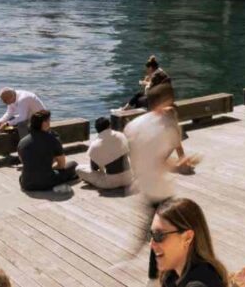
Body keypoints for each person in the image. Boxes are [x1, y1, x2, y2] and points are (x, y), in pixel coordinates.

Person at [125, 81, 192, 280]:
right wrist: (180, 164)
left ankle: (156, 275)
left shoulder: (134, 125)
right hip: (161, 190)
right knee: (174, 233)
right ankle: (162, 276)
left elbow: (138, 157)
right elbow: (161, 162)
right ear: (164, 101)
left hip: (146, 186)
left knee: (161, 232)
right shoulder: (165, 128)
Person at [150, 198, 229, 287]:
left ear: (187, 238)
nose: (151, 244)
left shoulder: (200, 284)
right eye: (151, 234)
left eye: (159, 235)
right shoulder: (172, 276)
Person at [17, 110, 78, 192]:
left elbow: (25, 162)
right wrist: (49, 168)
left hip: (26, 183)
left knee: (27, 174)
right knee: (73, 165)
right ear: (44, 123)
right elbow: (62, 165)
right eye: (48, 121)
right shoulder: (53, 140)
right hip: (46, 182)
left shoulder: (22, 142)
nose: (49, 123)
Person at [76, 117, 132, 189]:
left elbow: (94, 168)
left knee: (78, 168)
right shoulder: (121, 135)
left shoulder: (95, 145)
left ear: (97, 130)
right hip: (128, 178)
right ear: (109, 126)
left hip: (111, 183)